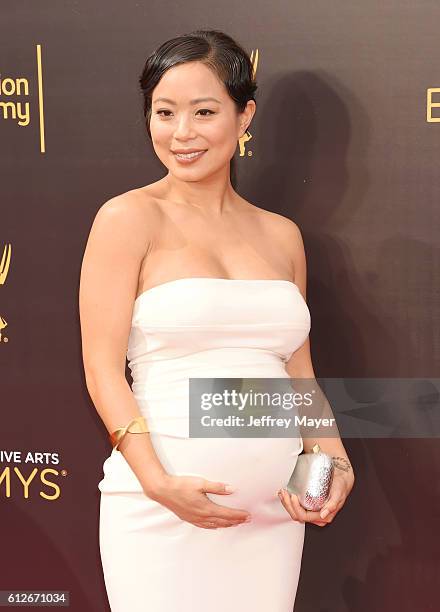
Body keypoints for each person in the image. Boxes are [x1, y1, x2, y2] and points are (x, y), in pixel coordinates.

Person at [79, 29, 355, 612]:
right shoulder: (127, 219)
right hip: (160, 506)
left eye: (204, 112)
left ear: (244, 114)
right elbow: (104, 373)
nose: (182, 134)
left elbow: (297, 375)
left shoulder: (283, 236)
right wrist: (158, 483)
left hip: (271, 515)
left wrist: (333, 454)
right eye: (164, 112)